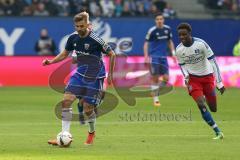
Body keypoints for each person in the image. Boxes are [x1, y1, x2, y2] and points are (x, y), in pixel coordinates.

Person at [42, 11, 116, 145]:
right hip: (79, 75)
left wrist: (110, 75)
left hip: (95, 77)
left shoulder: (96, 39)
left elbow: (112, 54)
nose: (79, 29)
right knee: (66, 101)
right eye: (77, 26)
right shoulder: (73, 38)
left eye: (82, 26)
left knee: (88, 109)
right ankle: (65, 134)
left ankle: (91, 132)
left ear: (88, 24)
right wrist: (51, 62)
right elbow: (65, 53)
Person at [175, 23, 225, 140]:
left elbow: (213, 62)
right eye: (180, 35)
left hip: (207, 78)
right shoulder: (179, 50)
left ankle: (208, 95)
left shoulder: (201, 44)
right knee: (200, 104)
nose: (182, 37)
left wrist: (219, 82)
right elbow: (182, 65)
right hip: (193, 80)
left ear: (190, 34)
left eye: (184, 34)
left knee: (213, 108)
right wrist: (186, 75)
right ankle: (217, 131)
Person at [143, 12, 175, 107]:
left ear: (163, 20)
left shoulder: (167, 29)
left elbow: (170, 41)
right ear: (155, 21)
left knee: (166, 78)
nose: (159, 21)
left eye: (161, 19)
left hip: (164, 57)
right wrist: (146, 56)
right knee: (155, 78)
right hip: (155, 57)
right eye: (157, 19)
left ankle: (154, 91)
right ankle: (156, 99)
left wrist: (173, 53)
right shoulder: (152, 30)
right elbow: (146, 43)